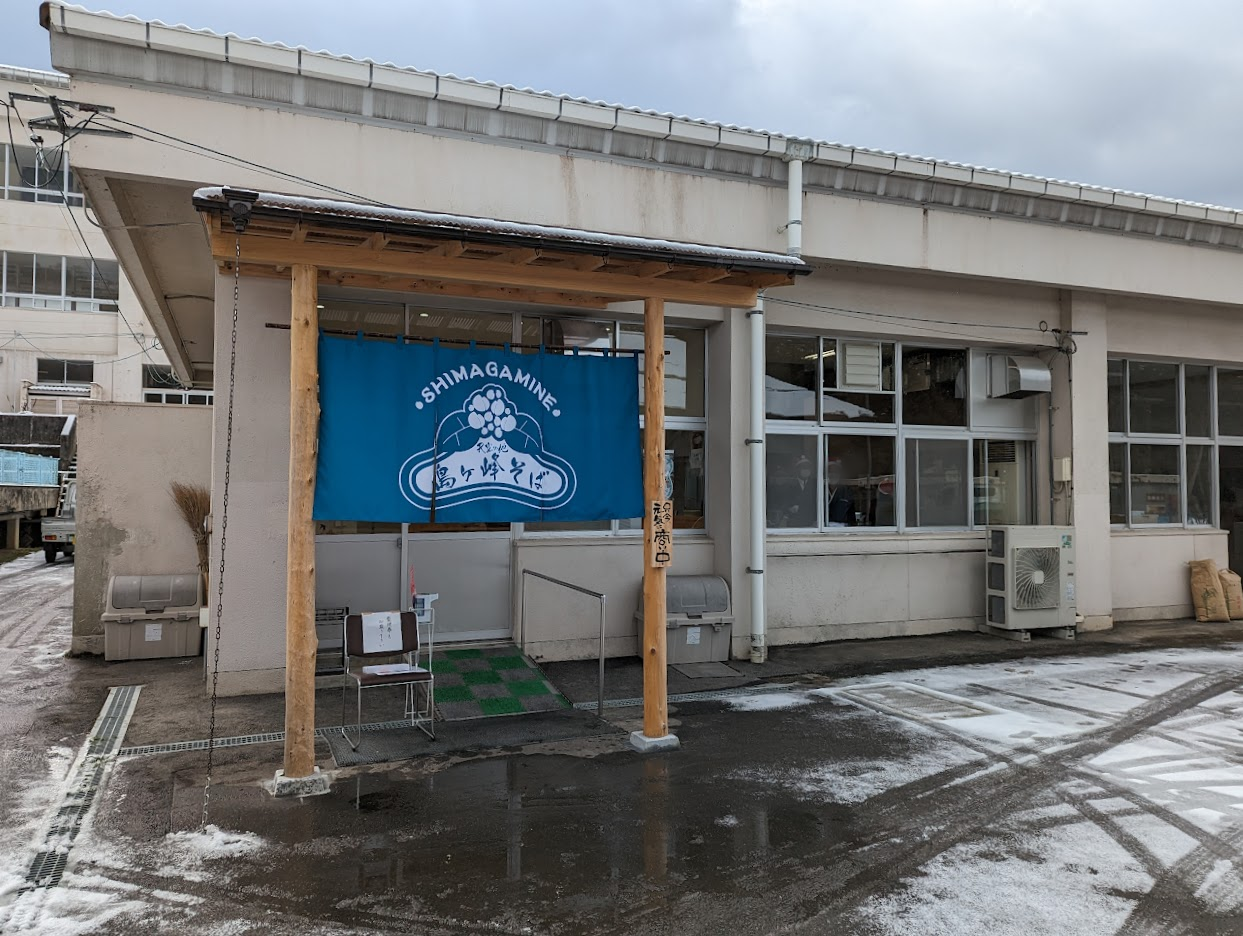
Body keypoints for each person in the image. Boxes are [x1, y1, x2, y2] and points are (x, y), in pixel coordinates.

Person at [824, 457, 856, 526]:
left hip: (841, 528)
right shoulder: (820, 490)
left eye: (835, 471)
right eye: (830, 471)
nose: (833, 474)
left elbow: (851, 515)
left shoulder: (847, 492)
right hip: (823, 527)